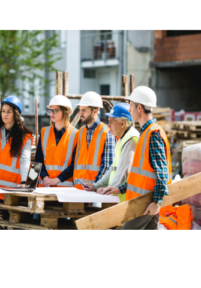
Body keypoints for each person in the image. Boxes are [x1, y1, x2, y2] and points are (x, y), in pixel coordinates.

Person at [103, 87, 173, 230]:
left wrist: (157, 203)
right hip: (144, 201)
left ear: (139, 108)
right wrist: (120, 188)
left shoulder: (153, 134)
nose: (129, 110)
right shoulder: (146, 133)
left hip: (145, 202)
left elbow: (162, 173)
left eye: (131, 106)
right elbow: (140, 175)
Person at [84, 103, 139, 203]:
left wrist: (106, 190)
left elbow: (123, 173)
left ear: (122, 124)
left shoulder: (131, 139)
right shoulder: (122, 139)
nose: (108, 126)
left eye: (111, 122)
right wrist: (97, 186)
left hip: (127, 201)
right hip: (120, 199)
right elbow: (113, 169)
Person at [0, 96, 33, 200]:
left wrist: (23, 181)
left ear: (16, 114)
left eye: (9, 111)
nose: (5, 114)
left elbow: (25, 160)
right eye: (3, 111)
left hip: (10, 188)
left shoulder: (25, 136)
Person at [73, 92, 116, 190]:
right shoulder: (80, 133)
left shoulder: (107, 132)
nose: (80, 113)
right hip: (78, 190)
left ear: (95, 111)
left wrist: (95, 185)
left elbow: (108, 165)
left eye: (84, 110)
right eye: (80, 110)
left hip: (97, 191)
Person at [36, 95, 77, 188]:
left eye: (56, 110)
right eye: (51, 110)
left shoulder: (76, 134)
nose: (52, 113)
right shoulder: (44, 132)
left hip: (65, 190)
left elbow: (75, 164)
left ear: (65, 111)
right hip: (44, 187)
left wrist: (57, 179)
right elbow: (38, 160)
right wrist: (45, 177)